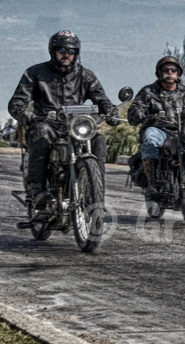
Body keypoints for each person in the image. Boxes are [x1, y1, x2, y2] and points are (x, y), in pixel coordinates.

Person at [7, 30, 119, 209]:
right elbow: (17, 102)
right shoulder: (35, 73)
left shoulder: (86, 75)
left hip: (75, 125)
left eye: (71, 51)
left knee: (98, 140)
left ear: (76, 53)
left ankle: (96, 197)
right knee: (40, 133)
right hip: (47, 123)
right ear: (53, 50)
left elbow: (102, 99)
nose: (66, 54)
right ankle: (37, 189)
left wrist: (111, 111)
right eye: (61, 50)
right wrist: (30, 116)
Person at [127, 55, 185, 200]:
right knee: (150, 138)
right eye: (165, 70)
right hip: (159, 129)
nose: (169, 72)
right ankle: (152, 183)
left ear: (178, 73)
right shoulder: (148, 92)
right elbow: (135, 108)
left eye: (173, 70)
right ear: (159, 73)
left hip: (182, 131)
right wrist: (139, 114)